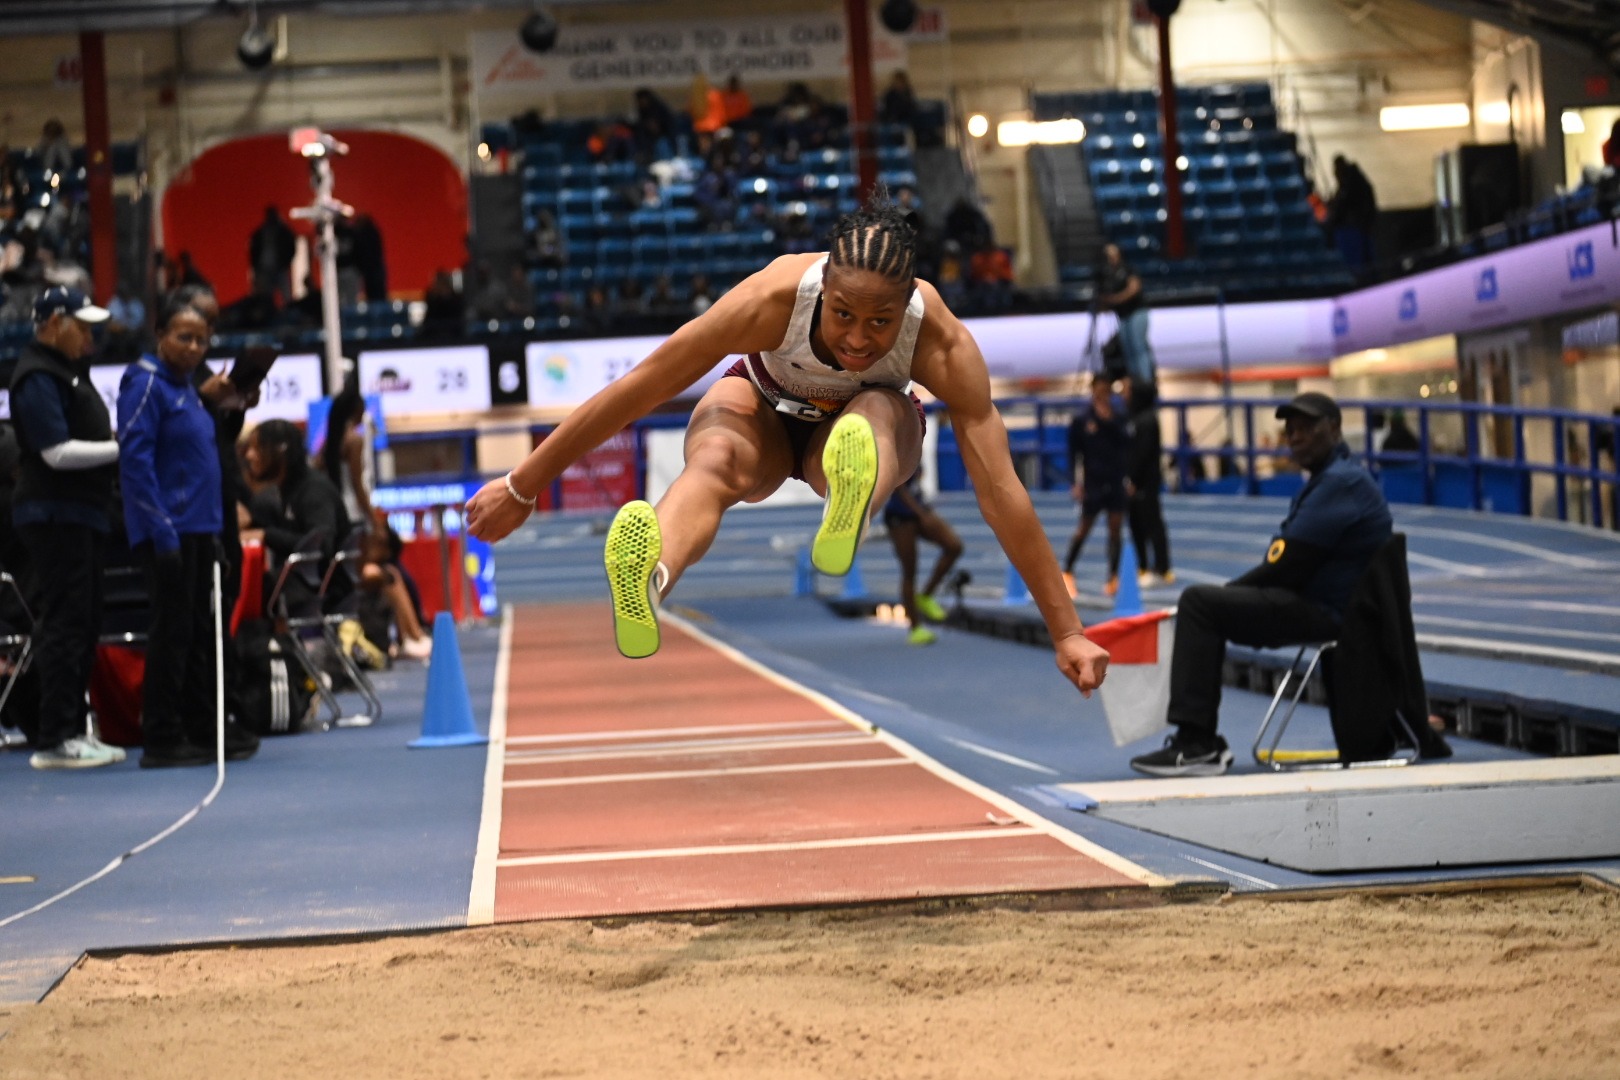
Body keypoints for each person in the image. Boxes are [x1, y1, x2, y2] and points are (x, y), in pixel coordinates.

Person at [465, 201, 1109, 694]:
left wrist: (1068, 629)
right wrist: (522, 485)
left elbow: (1000, 491)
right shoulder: (772, 298)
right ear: (821, 288)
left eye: (880, 321)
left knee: (878, 411)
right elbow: (640, 386)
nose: (858, 338)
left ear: (909, 303)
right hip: (764, 410)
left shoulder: (940, 342)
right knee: (716, 457)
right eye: (843, 314)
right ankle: (650, 573)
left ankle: (847, 493)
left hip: (859, 425)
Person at [1129, 392, 1392, 777]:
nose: (1295, 438)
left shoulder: (1341, 484)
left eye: (1306, 429)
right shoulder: (1332, 480)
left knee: (1200, 603)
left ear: (1334, 429)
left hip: (1328, 613)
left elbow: (1285, 564)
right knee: (1206, 603)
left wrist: (1227, 595)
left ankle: (1197, 744)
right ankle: (1197, 740)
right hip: (1320, 604)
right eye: (1290, 431)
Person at [117, 299, 236, 767]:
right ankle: (162, 737)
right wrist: (161, 530)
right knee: (171, 636)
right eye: (183, 337)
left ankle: (199, 727)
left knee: (196, 635)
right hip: (170, 533)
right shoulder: (146, 384)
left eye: (201, 340)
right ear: (160, 333)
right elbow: (135, 461)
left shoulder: (187, 389)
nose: (192, 347)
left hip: (200, 530)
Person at [10, 287, 125, 769]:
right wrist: (125, 447)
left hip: (81, 515)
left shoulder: (66, 371)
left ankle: (73, 728)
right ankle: (57, 736)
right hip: (55, 516)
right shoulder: (37, 375)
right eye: (82, 326)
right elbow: (55, 452)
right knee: (64, 623)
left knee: (84, 621)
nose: (90, 337)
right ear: (54, 322)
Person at [1062, 377, 1132, 599]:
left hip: (1115, 480)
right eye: (1098, 391)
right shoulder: (1082, 420)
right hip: (1093, 482)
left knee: (1115, 527)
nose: (1101, 395)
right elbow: (1074, 453)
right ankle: (1067, 570)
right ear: (1092, 392)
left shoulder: (1119, 418)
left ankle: (1113, 576)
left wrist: (1108, 420)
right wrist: (1075, 482)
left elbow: (1126, 445)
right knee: (1085, 527)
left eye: (1105, 391)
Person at [883, 470, 963, 646]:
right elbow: (898, 486)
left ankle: (925, 596)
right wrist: (921, 514)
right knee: (909, 570)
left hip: (918, 507)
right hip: (900, 516)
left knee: (954, 546)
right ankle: (915, 628)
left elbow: (914, 481)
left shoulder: (916, 444)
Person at [1126, 385, 1173, 589]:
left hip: (1145, 483)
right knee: (1136, 524)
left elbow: (1142, 454)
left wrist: (1133, 481)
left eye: (1128, 390)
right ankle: (1144, 566)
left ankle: (1162, 568)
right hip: (1136, 481)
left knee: (1152, 523)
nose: (1124, 395)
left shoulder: (1146, 420)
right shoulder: (1134, 418)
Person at [1097, 243, 1155, 392]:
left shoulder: (1128, 269)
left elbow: (1134, 289)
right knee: (1128, 351)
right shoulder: (1107, 274)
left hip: (1136, 312)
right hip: (1122, 316)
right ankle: (1134, 383)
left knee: (1138, 347)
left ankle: (1146, 382)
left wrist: (1114, 299)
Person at [1326, 155, 1377, 272]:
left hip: (1355, 229)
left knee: (1360, 266)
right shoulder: (1349, 183)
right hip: (1360, 227)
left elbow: (1343, 206)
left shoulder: (1352, 184)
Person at [248, 206, 296, 306]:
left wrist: (286, 262)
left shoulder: (283, 232)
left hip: (280, 268)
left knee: (286, 295)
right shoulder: (261, 232)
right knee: (265, 297)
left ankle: (288, 314)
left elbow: (291, 246)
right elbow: (253, 250)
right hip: (264, 268)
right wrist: (256, 267)